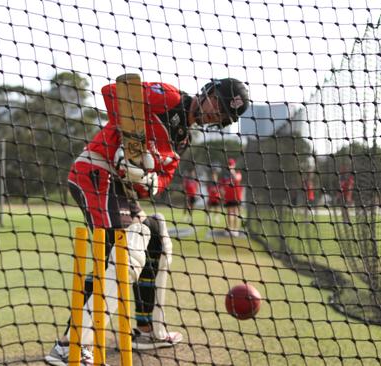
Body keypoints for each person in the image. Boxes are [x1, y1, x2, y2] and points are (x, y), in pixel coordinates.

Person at [45, 77, 249, 365]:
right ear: (208, 91)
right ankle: (72, 344)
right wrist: (131, 143)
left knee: (156, 235)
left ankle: (146, 330)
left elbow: (162, 178)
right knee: (124, 249)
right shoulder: (169, 98)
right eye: (218, 103)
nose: (216, 113)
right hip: (96, 172)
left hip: (120, 188)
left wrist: (148, 180)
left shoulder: (183, 138)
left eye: (224, 115)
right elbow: (113, 93)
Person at [220, 158, 244, 237]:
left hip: (236, 197)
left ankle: (235, 230)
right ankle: (230, 229)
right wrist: (223, 197)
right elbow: (221, 188)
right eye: (229, 165)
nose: (230, 166)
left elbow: (237, 179)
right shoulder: (224, 176)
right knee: (229, 213)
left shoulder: (238, 173)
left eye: (231, 165)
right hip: (228, 198)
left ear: (234, 165)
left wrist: (232, 172)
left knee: (236, 213)